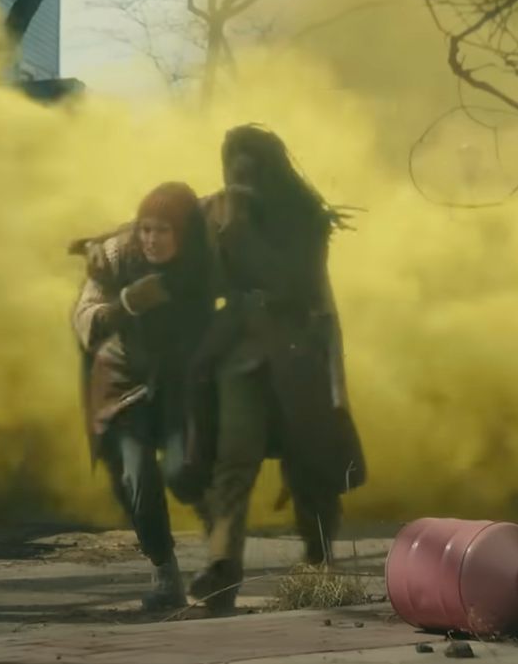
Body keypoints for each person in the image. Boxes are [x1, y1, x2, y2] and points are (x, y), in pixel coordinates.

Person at [187, 124, 367, 613]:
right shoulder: (215, 212)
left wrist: (240, 224)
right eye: (232, 164)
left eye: (248, 165)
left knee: (310, 464)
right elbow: (185, 262)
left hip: (296, 351)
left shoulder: (302, 218)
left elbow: (295, 282)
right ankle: (222, 568)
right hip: (241, 354)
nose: (238, 176)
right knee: (231, 461)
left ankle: (319, 560)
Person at [70, 182, 216, 610]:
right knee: (136, 478)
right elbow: (85, 312)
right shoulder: (119, 255)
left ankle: (222, 547)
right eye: (146, 229)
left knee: (182, 471)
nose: (151, 239)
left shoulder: (207, 259)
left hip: (180, 382)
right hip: (124, 381)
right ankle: (165, 574)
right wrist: (125, 306)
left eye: (163, 230)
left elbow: (218, 207)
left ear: (183, 232)